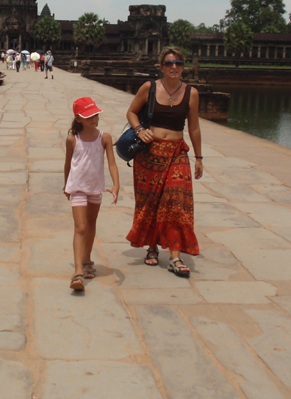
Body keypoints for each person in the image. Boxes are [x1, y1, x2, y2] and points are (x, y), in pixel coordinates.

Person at [125, 47, 202, 277]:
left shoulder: (192, 93)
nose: (174, 67)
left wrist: (198, 157)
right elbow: (131, 112)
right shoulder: (149, 88)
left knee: (177, 201)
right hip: (149, 153)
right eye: (169, 63)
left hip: (177, 152)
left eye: (178, 63)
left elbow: (194, 127)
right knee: (150, 202)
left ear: (183, 66)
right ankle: (151, 247)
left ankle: (175, 256)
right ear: (161, 67)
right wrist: (139, 130)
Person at [63, 97, 119, 291]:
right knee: (80, 226)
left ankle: (86, 258)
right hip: (78, 186)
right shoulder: (73, 139)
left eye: (95, 115)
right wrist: (66, 185)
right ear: (78, 119)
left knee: (92, 224)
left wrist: (116, 184)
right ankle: (78, 271)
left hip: (95, 188)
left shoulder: (105, 137)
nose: (94, 119)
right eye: (88, 117)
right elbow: (68, 164)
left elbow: (111, 162)